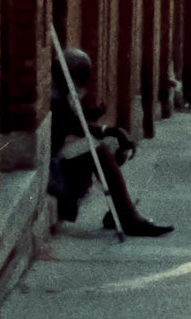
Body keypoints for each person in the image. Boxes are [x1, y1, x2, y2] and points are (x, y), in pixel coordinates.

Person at [48, 50, 173, 236]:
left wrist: (105, 127)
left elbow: (77, 122)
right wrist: (110, 131)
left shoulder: (62, 92)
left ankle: (119, 210)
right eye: (81, 76)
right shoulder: (55, 96)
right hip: (53, 166)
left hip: (58, 157)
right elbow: (76, 125)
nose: (83, 83)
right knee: (100, 151)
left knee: (104, 149)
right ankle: (129, 219)